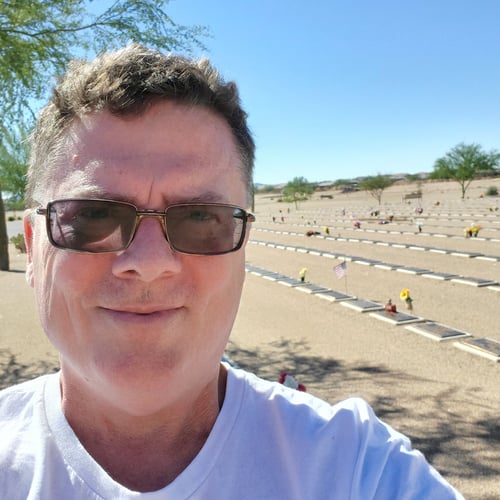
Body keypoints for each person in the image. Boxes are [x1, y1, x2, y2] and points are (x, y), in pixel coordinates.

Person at [0, 44, 463, 499]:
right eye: (94, 216)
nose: (150, 263)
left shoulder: (358, 468)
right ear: (33, 245)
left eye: (201, 218)